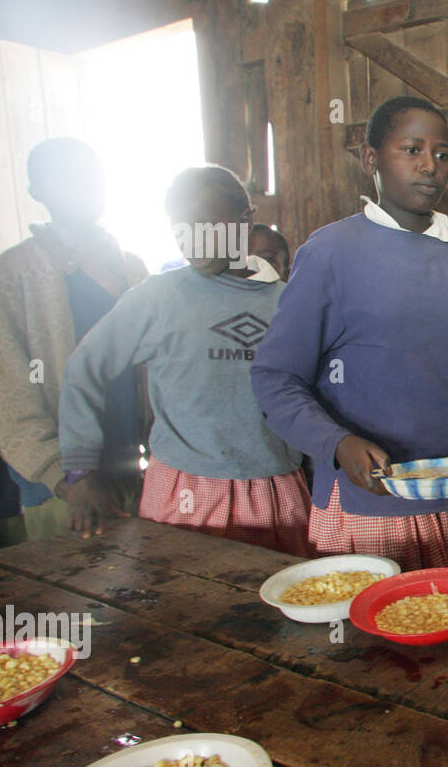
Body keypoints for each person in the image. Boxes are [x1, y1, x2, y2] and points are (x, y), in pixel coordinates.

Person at [251, 96, 448, 572]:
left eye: (442, 154)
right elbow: (275, 377)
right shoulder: (331, 252)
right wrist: (337, 444)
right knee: (375, 641)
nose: (429, 166)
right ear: (371, 159)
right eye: (412, 150)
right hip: (371, 505)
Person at [59, 166, 310, 554]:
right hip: (183, 491)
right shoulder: (158, 298)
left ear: (245, 221)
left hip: (274, 489)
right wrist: (79, 471)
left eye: (207, 224)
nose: (193, 240)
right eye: (181, 227)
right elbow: (83, 369)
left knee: (278, 600)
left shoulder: (289, 302)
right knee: (180, 602)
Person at [0, 137, 145, 539]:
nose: (86, 184)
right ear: (36, 192)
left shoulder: (130, 269)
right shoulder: (11, 277)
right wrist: (67, 477)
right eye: (68, 177)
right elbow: (5, 395)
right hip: (63, 491)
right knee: (74, 593)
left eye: (93, 174)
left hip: (133, 470)